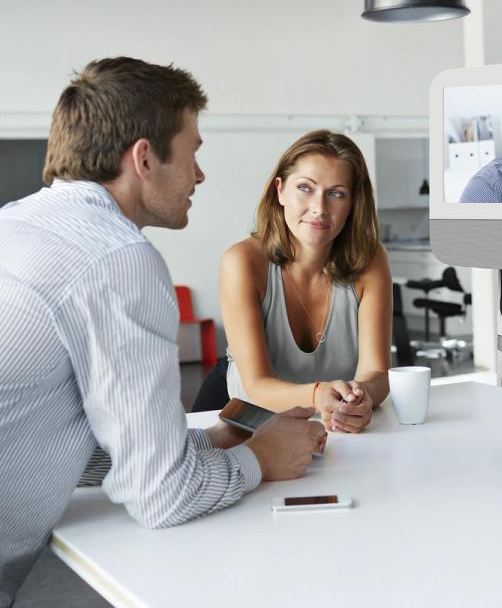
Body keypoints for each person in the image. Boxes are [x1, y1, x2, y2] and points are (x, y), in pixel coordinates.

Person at [0, 57, 327, 606]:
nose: (199, 174)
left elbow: (41, 431)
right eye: (194, 150)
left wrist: (203, 443)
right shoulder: (116, 256)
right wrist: (260, 461)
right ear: (145, 157)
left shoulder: (16, 222)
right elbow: (160, 497)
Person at [219, 130, 391, 433]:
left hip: (335, 431)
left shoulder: (371, 260)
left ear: (353, 203)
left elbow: (376, 372)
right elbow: (258, 385)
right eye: (305, 188)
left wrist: (362, 398)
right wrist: (317, 396)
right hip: (254, 429)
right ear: (280, 191)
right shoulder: (242, 262)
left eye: (336, 193)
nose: (319, 207)